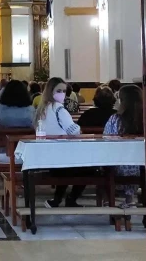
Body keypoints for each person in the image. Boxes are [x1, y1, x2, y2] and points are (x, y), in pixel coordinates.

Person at [37, 78, 84, 208]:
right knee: (91, 169)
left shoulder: (44, 108)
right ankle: (71, 198)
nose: (62, 94)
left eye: (64, 91)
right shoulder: (59, 109)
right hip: (61, 156)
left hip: (49, 155)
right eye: (59, 91)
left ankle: (57, 200)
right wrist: (80, 129)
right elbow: (73, 130)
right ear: (50, 91)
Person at [104, 85, 144, 207]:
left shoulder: (115, 118)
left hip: (121, 163)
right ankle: (131, 197)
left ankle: (117, 199)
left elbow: (106, 138)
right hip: (143, 163)